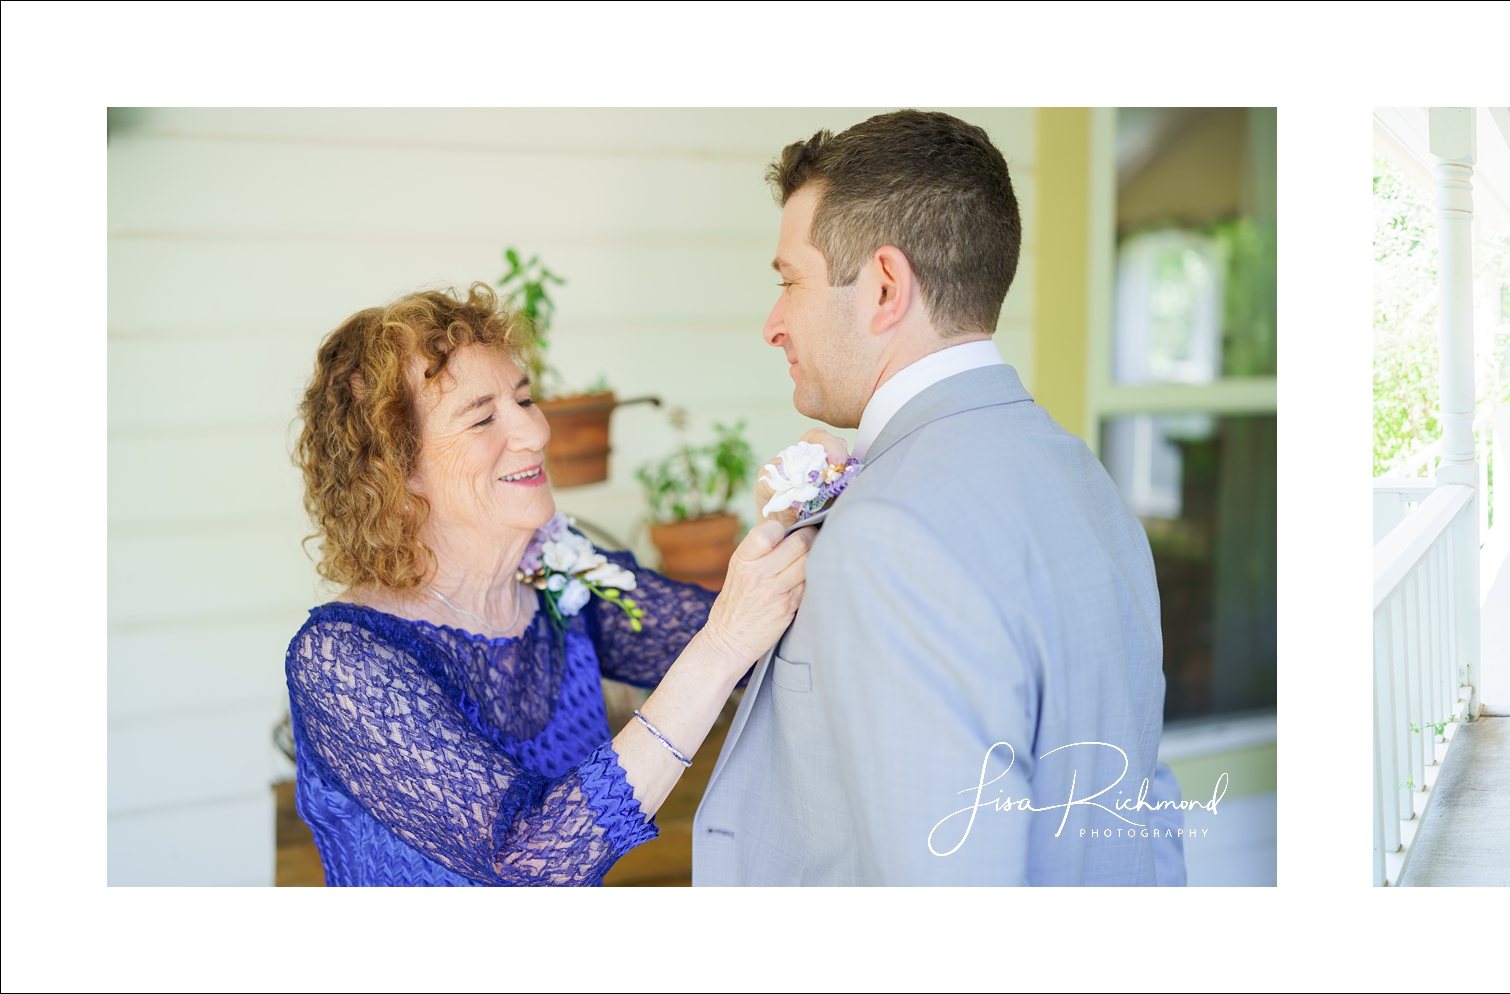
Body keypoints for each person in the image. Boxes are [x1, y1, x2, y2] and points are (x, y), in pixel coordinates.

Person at [691, 110, 1178, 884]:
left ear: (884, 286)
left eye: (789, 281)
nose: (773, 323)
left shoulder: (887, 533)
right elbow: (1148, 811)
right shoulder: (1089, 484)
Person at [285, 284, 814, 885]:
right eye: (483, 417)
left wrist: (799, 511)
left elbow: (763, 642)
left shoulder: (562, 576)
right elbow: (528, 863)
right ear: (396, 469)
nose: (535, 433)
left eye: (525, 398)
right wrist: (721, 646)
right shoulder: (342, 659)